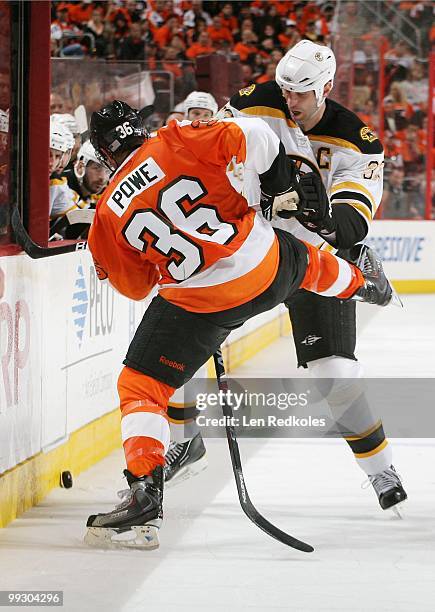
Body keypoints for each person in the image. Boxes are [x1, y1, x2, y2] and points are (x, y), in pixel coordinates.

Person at [84, 99, 396, 549]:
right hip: (261, 264)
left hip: (201, 302)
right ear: (140, 128)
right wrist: (275, 189)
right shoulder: (176, 137)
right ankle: (365, 284)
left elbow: (135, 288)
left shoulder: (106, 215)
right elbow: (263, 138)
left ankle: (144, 491)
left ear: (105, 153)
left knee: (141, 388)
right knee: (305, 261)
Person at [219, 40, 407, 512]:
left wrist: (316, 213)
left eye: (301, 92)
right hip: (251, 250)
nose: (290, 102)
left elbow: (350, 223)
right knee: (181, 332)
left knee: (336, 374)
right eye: (285, 90)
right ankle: (181, 447)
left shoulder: (356, 140)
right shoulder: (251, 103)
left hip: (313, 256)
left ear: (326, 87)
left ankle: (381, 470)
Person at [52, 140, 110, 239]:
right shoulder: (58, 183)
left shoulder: (104, 191)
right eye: (96, 168)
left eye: (108, 170)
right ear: (80, 166)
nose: (103, 177)